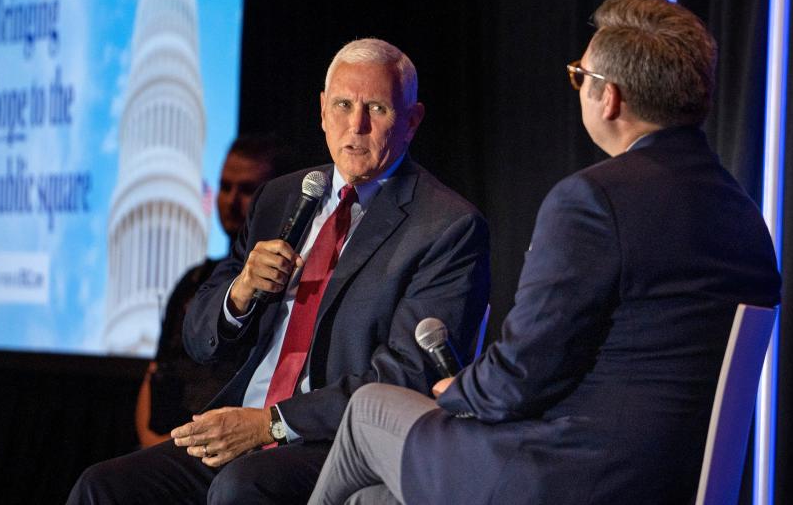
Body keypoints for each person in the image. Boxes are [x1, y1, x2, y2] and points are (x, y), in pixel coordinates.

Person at [307, 0, 783, 505]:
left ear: (610, 96)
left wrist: (458, 394)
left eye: (580, 76)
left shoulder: (594, 201)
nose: (578, 87)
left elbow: (522, 374)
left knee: (368, 411)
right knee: (369, 501)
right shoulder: (745, 215)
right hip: (665, 481)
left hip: (570, 477)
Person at [67, 38, 491, 504]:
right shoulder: (281, 198)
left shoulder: (446, 226)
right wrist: (240, 292)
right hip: (240, 424)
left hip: (338, 443)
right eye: (344, 105)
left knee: (240, 488)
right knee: (103, 486)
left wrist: (272, 422)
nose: (357, 125)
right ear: (322, 112)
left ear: (411, 121)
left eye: (378, 109)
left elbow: (406, 376)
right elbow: (198, 337)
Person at [135, 135, 281, 448]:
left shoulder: (281, 285)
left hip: (224, 447)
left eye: (246, 190)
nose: (231, 201)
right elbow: (157, 369)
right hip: (161, 445)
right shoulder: (195, 280)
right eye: (225, 187)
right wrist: (152, 443)